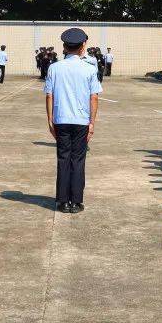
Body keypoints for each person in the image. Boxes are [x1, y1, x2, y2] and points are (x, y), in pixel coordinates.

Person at [44, 28, 102, 213]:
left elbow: (49, 96)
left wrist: (50, 120)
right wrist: (92, 123)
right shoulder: (89, 69)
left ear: (64, 47)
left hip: (61, 119)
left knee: (63, 159)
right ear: (83, 46)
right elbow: (94, 97)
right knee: (78, 160)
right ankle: (76, 201)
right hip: (81, 120)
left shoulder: (54, 67)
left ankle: (62, 201)